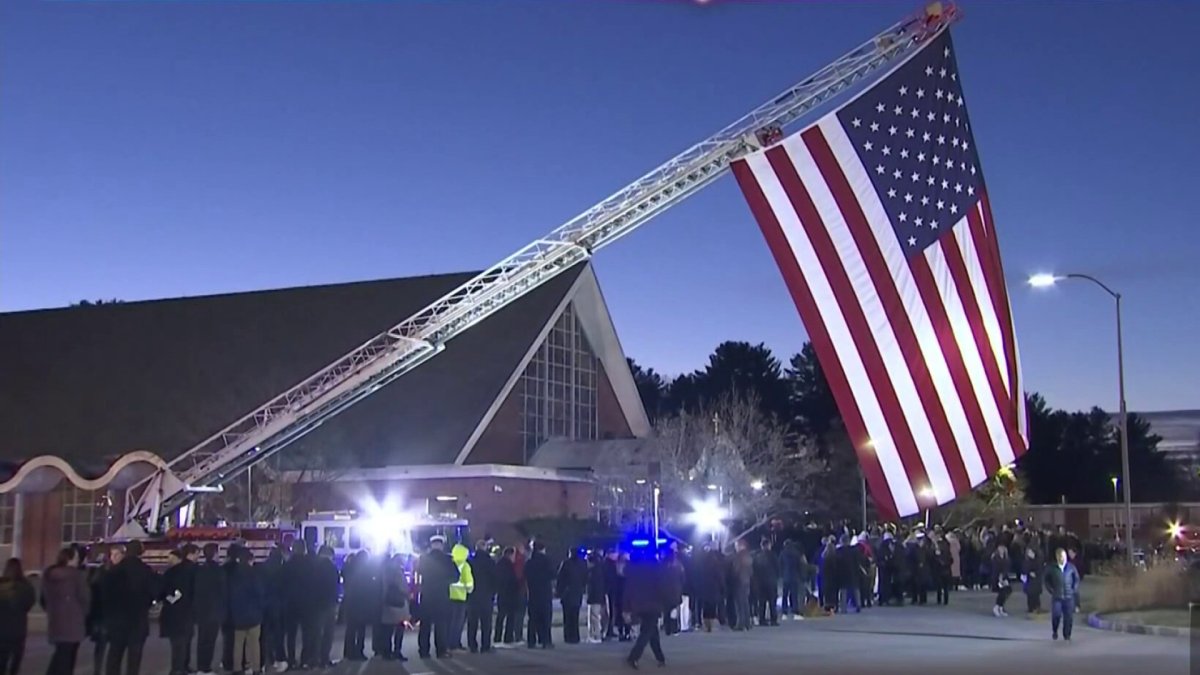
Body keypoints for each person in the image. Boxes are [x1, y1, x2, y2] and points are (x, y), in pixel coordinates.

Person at [102, 541, 159, 675]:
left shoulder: (114, 570)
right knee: (134, 657)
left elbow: (105, 594)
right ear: (141, 551)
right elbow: (154, 591)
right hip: (138, 619)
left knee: (114, 654)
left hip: (117, 618)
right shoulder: (145, 570)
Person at [42, 547, 90, 675]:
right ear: (70, 559)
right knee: (67, 659)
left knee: (60, 655)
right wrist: (82, 614)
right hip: (73, 624)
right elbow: (85, 598)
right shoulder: (76, 576)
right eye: (75, 557)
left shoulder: (49, 576)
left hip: (56, 622)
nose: (78, 560)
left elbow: (44, 599)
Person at [416, 535, 458, 659]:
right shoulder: (447, 559)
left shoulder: (424, 559)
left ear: (431, 545)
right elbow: (455, 576)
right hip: (442, 596)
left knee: (425, 625)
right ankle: (441, 650)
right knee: (441, 625)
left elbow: (419, 573)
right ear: (441, 545)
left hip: (427, 595)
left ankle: (423, 651)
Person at [622, 552, 666, 669]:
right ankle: (633, 657)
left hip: (638, 605)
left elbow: (628, 590)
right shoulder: (657, 571)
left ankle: (660, 657)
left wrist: (626, 608)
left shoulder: (633, 571)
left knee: (652, 631)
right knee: (647, 632)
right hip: (653, 605)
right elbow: (662, 588)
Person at [227, 548, 265, 675]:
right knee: (254, 644)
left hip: (238, 614)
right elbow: (260, 593)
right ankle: (256, 669)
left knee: (238, 644)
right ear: (250, 559)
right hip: (253, 614)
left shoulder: (233, 574)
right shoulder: (254, 574)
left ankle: (237, 669)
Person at [159, 548, 196, 675]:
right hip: (187, 612)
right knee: (185, 641)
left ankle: (177, 668)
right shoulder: (190, 571)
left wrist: (168, 598)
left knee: (177, 643)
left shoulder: (170, 573)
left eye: (171, 558)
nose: (169, 560)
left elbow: (162, 590)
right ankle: (184, 666)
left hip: (173, 613)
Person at [192, 543, 226, 675]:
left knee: (201, 640)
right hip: (214, 611)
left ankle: (201, 667)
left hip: (202, 611)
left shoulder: (200, 570)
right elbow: (223, 592)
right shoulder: (219, 571)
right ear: (215, 554)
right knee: (210, 641)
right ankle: (206, 668)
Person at [0, 558, 35, 675]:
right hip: (18, 628)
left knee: (2, 660)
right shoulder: (26, 587)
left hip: (2, 629)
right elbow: (29, 604)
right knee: (16, 660)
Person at [278, 542, 309, 669]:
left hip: (290, 603)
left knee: (291, 635)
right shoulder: (309, 564)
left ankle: (291, 660)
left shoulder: (287, 565)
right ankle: (305, 660)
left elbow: (282, 584)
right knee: (307, 633)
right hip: (305, 603)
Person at [309, 546, 340, 668]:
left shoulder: (313, 566)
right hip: (329, 604)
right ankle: (324, 659)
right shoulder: (332, 568)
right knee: (328, 634)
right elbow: (335, 587)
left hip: (316, 604)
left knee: (316, 634)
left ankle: (314, 659)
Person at [376, 555, 409, 661]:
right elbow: (403, 587)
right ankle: (397, 651)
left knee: (387, 630)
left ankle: (386, 652)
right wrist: (408, 594)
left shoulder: (385, 570)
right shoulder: (398, 571)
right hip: (399, 604)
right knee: (399, 629)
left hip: (387, 603)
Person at [1044, 548, 1081, 641]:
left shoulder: (1071, 567)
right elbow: (1046, 580)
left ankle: (1067, 635)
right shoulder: (1052, 568)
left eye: (1064, 556)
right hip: (1057, 597)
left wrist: (1073, 589)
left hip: (1069, 597)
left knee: (1068, 617)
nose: (1063, 558)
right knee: (1056, 615)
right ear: (1057, 557)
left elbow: (1076, 579)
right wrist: (1051, 590)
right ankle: (1055, 630)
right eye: (1061, 556)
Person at [466, 541, 495, 654]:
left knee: (472, 622)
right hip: (486, 595)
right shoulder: (489, 561)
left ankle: (472, 645)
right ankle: (485, 646)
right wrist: (493, 592)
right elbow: (494, 577)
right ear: (485, 547)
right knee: (486, 623)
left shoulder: (470, 561)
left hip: (473, 595)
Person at [524, 541, 554, 649]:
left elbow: (525, 575)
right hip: (545, 593)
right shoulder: (547, 561)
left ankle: (531, 641)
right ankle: (545, 640)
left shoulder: (529, 562)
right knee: (545, 618)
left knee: (532, 619)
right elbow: (553, 574)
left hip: (533, 593)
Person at [555, 549, 587, 644]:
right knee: (575, 616)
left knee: (567, 617)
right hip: (577, 593)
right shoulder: (582, 564)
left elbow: (560, 579)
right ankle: (575, 637)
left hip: (567, 594)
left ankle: (568, 636)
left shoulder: (566, 564)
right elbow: (585, 578)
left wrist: (559, 592)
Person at [447, 544, 473, 651]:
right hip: (461, 597)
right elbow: (469, 581)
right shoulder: (465, 565)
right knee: (458, 622)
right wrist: (470, 589)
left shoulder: (449, 564)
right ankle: (455, 643)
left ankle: (448, 642)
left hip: (449, 596)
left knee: (450, 622)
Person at [492, 548, 518, 646]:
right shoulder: (508, 565)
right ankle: (508, 638)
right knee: (510, 617)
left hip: (501, 594)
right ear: (510, 554)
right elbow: (511, 580)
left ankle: (497, 638)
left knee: (501, 616)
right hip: (509, 594)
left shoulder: (499, 564)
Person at [752, 539, 779, 626]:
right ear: (769, 545)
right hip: (771, 582)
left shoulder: (757, 556)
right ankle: (773, 620)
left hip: (760, 583)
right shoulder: (773, 555)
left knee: (762, 602)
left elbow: (754, 570)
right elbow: (777, 568)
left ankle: (762, 619)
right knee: (772, 602)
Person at [584, 551, 607, 643]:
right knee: (593, 617)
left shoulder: (594, 572)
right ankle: (593, 635)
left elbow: (594, 587)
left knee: (594, 617)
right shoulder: (598, 570)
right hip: (596, 597)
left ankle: (596, 636)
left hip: (595, 598)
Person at [731, 539, 753, 630]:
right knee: (745, 603)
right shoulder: (748, 556)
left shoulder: (738, 556)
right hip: (746, 581)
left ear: (740, 545)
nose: (735, 547)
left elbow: (735, 569)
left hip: (739, 582)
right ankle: (747, 623)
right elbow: (751, 571)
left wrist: (732, 577)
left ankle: (740, 624)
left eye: (736, 545)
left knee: (739, 604)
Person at [990, 544, 1012, 618]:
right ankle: (997, 607)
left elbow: (1007, 568)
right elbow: (995, 569)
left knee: (1008, 591)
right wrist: (1000, 577)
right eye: (1000, 549)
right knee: (1002, 591)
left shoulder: (1007, 558)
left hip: (1004, 577)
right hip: (997, 577)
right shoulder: (995, 558)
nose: (1001, 551)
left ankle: (1001, 607)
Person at [1022, 546, 1043, 615]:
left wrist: (1035, 573)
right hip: (1029, 580)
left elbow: (1040, 569)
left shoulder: (1038, 560)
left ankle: (1037, 606)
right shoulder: (1027, 561)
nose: (1029, 554)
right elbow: (1024, 569)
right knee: (1030, 594)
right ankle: (1031, 607)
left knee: (1035, 594)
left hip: (1036, 580)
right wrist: (1028, 573)